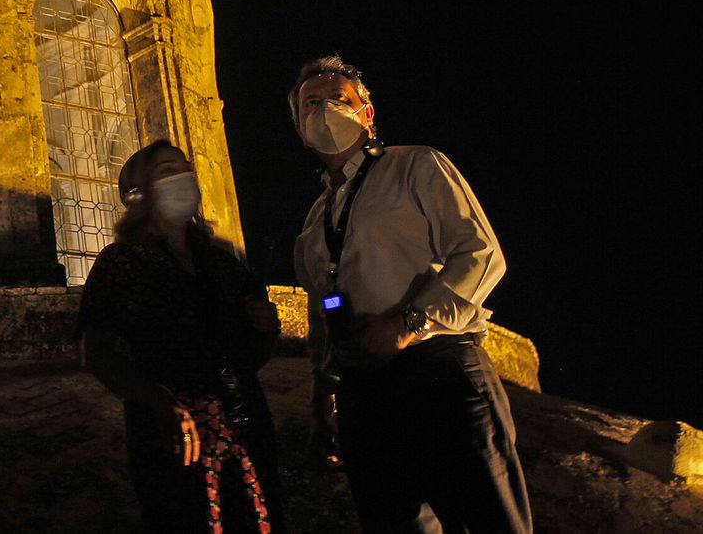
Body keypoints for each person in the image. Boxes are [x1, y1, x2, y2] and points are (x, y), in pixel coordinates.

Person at [289, 55, 531, 533]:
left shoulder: (416, 165)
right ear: (299, 126)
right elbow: (324, 308)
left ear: (367, 113)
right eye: (310, 104)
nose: (324, 110)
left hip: (438, 373)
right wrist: (323, 405)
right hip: (364, 397)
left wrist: (405, 325)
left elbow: (481, 254)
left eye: (339, 99)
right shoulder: (315, 222)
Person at [79, 140, 286, 533]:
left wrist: (266, 330)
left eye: (184, 168)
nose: (183, 178)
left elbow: (254, 353)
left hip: (245, 424)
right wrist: (157, 399)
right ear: (138, 193)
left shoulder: (223, 262)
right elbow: (96, 352)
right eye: (167, 171)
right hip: (172, 432)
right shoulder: (121, 263)